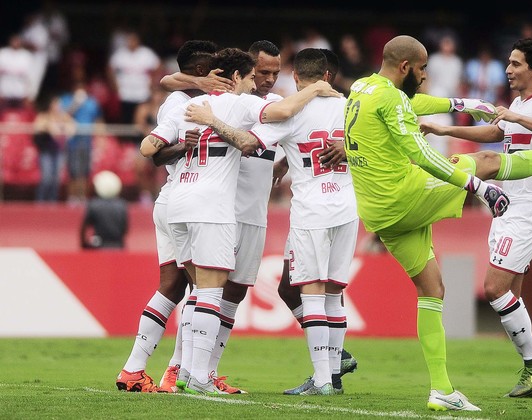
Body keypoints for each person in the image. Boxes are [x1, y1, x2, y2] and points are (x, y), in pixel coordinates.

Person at [343, 35, 532, 412]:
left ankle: (443, 390)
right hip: (406, 197)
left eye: (515, 63)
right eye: (424, 68)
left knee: (433, 289)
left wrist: (458, 110)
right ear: (406, 68)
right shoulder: (393, 97)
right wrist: (479, 188)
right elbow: (423, 153)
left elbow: (417, 103)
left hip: (380, 213)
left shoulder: (363, 86)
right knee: (486, 164)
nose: (427, 76)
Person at [140, 47, 340, 395]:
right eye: (259, 72)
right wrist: (317, 88)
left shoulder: (198, 104)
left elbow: (150, 143)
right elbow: (171, 80)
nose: (265, 79)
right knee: (205, 290)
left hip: (242, 212)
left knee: (222, 293)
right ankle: (183, 369)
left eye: (274, 73)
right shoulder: (245, 104)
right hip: (219, 208)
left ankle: (201, 371)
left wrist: (285, 163)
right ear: (240, 74)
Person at [189, 48, 358, 396]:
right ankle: (333, 372)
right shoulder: (352, 109)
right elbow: (380, 146)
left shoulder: (290, 112)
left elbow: (249, 144)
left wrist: (213, 122)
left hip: (312, 210)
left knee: (309, 291)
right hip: (347, 208)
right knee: (333, 293)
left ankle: (323, 379)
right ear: (328, 76)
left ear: (295, 77)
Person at [421, 37, 532, 399]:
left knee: (494, 288)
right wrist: (444, 129)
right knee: (510, 296)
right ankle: (531, 370)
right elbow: (496, 132)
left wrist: (518, 116)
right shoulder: (519, 103)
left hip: (531, 207)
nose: (508, 69)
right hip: (506, 206)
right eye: (508, 62)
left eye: (516, 63)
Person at [116, 39, 220, 394]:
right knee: (201, 286)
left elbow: (161, 153)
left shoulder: (183, 97)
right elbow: (154, 152)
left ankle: (134, 369)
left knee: (174, 286)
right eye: (215, 68)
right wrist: (183, 146)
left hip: (173, 200)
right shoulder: (181, 104)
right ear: (204, 72)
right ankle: (179, 370)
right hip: (185, 201)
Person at [33, 95, 74, 202]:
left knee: (56, 179)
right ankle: (41, 201)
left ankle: (52, 201)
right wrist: (50, 127)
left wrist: (63, 129)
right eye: (56, 104)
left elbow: (72, 129)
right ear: (51, 105)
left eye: (59, 104)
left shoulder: (64, 117)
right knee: (46, 177)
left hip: (59, 151)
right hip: (46, 151)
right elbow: (38, 127)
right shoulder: (43, 116)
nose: (58, 107)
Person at [80, 170, 128, 249]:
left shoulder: (94, 205)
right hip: (118, 245)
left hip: (99, 246)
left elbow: (83, 229)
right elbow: (125, 229)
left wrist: (84, 245)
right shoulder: (122, 205)